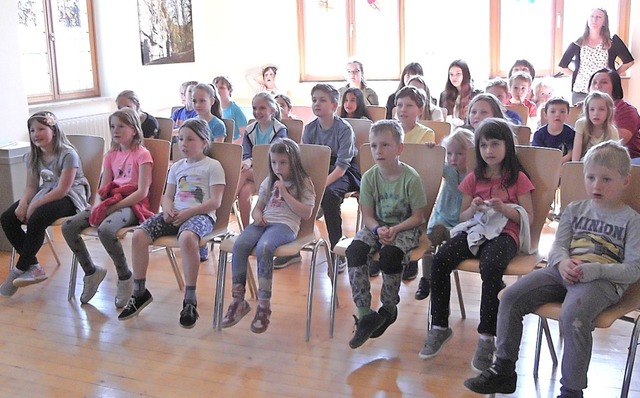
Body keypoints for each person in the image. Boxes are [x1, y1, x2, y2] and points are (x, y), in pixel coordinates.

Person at [464, 140, 640, 397]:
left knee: (574, 316)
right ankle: (503, 371)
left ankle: (571, 391)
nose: (596, 185)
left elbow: (633, 270)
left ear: (625, 181)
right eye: (591, 177)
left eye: (606, 179)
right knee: (511, 298)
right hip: (562, 271)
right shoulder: (574, 210)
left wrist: (595, 271)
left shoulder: (631, 221)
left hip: (601, 281)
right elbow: (557, 248)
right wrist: (563, 262)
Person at [419, 118, 534, 374]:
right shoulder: (473, 178)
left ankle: (486, 336)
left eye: (495, 144)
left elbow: (529, 217)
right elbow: (462, 217)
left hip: (506, 235)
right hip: (476, 231)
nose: (489, 151)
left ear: (508, 146)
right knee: (440, 260)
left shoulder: (518, 178)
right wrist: (473, 208)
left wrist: (505, 209)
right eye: (484, 145)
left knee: (491, 267)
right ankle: (439, 326)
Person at [118, 119, 225, 328]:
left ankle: (190, 299)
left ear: (204, 142)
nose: (183, 144)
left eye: (190, 139)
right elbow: (168, 196)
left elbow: (215, 202)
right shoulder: (177, 167)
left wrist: (188, 213)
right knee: (139, 234)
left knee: (186, 238)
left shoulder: (213, 166)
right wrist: (166, 209)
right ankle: (139, 291)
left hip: (200, 215)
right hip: (174, 214)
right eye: (180, 139)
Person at [346, 120, 426, 348]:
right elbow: (367, 215)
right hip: (377, 226)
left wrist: (395, 230)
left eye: (385, 145)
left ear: (400, 148)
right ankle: (365, 314)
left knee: (390, 256)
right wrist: (376, 229)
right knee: (356, 250)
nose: (378, 151)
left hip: (405, 228)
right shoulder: (370, 177)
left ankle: (388, 309)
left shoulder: (411, 178)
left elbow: (418, 217)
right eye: (373, 146)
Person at [221, 138, 315, 333]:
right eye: (274, 163)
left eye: (283, 162)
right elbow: (259, 207)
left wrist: (286, 193)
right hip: (264, 222)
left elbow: (306, 213)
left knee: (265, 247)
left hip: (285, 225)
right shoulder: (268, 181)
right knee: (240, 245)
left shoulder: (303, 182)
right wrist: (257, 216)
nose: (278, 167)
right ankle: (238, 300)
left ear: (293, 162)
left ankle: (264, 304)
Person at [62, 108, 153, 307]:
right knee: (68, 226)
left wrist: (115, 206)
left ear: (134, 130)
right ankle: (91, 272)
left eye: (121, 126)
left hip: (131, 204)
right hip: (111, 202)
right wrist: (98, 207)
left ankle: (124, 276)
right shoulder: (110, 155)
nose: (115, 131)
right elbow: (104, 189)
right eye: (112, 126)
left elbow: (142, 192)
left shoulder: (143, 154)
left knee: (106, 230)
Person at [0, 112, 90, 297]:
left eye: (41, 129)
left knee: (37, 218)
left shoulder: (68, 154)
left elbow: (62, 190)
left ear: (54, 131)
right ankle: (33, 265)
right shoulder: (32, 155)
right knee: (8, 217)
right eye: (32, 130)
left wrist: (34, 206)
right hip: (47, 192)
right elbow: (31, 186)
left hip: (71, 196)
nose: (36, 134)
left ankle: (18, 269)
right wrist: (24, 203)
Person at [277, 84, 359, 271]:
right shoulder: (310, 128)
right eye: (314, 100)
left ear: (334, 104)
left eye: (322, 100)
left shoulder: (344, 129)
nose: (317, 104)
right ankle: (293, 249)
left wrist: (320, 185)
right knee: (293, 190)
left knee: (330, 195)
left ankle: (337, 251)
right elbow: (307, 159)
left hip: (343, 171)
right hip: (318, 169)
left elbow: (342, 166)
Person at [415, 128, 475, 300]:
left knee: (450, 239)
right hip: (443, 214)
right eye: (449, 153)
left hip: (463, 218)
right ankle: (426, 278)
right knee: (429, 242)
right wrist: (433, 152)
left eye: (459, 154)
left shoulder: (473, 172)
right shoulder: (448, 169)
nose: (453, 159)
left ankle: (448, 237)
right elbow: (429, 168)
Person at [559, 7, 634, 105]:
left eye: (598, 17)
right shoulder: (579, 42)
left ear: (604, 22)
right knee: (581, 119)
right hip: (581, 91)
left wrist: (613, 75)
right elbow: (562, 66)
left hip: (605, 92)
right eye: (592, 17)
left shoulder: (612, 41)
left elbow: (629, 61)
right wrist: (576, 75)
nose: (594, 20)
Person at [236, 92, 288, 230]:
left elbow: (274, 153)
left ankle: (227, 200)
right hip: (255, 174)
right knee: (244, 193)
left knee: (245, 172)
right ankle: (246, 229)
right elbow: (246, 153)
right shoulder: (250, 130)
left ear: (272, 109)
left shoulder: (280, 130)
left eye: (262, 108)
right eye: (254, 108)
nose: (257, 112)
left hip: (272, 173)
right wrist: (248, 161)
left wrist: (250, 161)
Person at [588, 68, 640, 159]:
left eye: (604, 82)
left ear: (615, 86)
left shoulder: (627, 110)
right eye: (594, 82)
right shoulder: (585, 108)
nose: (598, 86)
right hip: (595, 157)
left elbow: (620, 141)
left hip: (628, 158)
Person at [571, 91, 618, 161]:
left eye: (601, 109)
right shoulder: (581, 124)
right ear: (587, 111)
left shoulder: (612, 131)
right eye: (592, 109)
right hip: (584, 164)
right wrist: (574, 167)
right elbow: (576, 151)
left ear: (609, 111)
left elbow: (615, 157)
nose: (596, 113)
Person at [532, 97, 576, 163]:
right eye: (553, 111)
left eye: (562, 112)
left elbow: (571, 153)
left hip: (564, 166)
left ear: (568, 115)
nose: (557, 115)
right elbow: (538, 154)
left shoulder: (571, 133)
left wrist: (558, 162)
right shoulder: (539, 134)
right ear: (545, 115)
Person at [439, 59, 481, 127]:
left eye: (458, 74)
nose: (454, 77)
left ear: (465, 74)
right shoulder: (444, 95)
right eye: (451, 74)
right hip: (450, 132)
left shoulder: (475, 95)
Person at [213, 76, 248, 145]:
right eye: (215, 88)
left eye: (222, 88)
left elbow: (245, 136)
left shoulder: (235, 109)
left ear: (229, 90)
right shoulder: (212, 109)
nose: (218, 91)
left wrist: (230, 146)